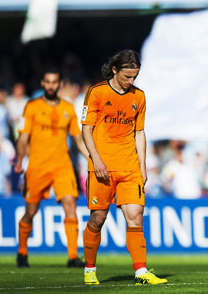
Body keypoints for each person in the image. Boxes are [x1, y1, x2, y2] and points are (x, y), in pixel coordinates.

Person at [81, 49, 167, 285]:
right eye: (127, 77)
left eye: (135, 77)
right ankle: (89, 269)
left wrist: (143, 166)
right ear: (115, 70)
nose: (131, 81)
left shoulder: (139, 96)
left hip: (129, 166)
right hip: (102, 167)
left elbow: (139, 132)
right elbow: (86, 130)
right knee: (98, 218)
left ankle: (141, 272)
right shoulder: (96, 92)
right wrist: (96, 159)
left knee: (136, 216)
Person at [14, 68, 89, 268]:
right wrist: (20, 160)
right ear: (42, 83)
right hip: (37, 166)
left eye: (54, 82)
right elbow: (22, 138)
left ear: (60, 85)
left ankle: (73, 257)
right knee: (31, 211)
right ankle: (22, 252)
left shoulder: (68, 108)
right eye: (47, 82)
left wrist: (92, 158)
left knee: (70, 205)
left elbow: (78, 139)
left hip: (62, 165)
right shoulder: (32, 107)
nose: (50, 85)